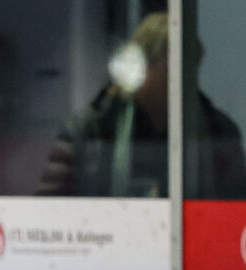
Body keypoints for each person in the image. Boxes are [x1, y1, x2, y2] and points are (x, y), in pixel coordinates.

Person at [37, 12, 246, 198]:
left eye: (191, 65)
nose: (183, 77)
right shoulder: (90, 130)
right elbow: (51, 210)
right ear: (143, 67)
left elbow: (237, 209)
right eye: (171, 65)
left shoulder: (220, 131)